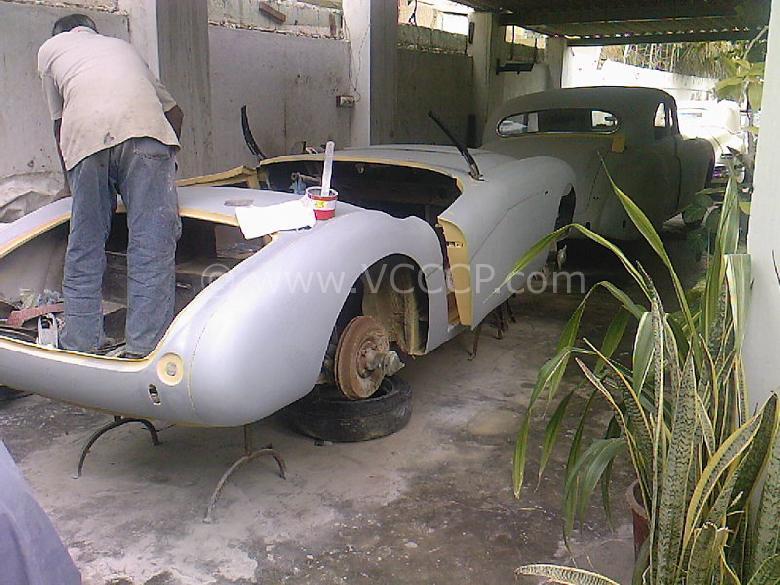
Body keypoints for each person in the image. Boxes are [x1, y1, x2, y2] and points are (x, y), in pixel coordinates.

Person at [37, 14, 184, 358]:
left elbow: (59, 124)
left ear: (61, 34)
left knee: (85, 244)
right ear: (93, 32)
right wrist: (165, 166)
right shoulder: (123, 48)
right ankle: (144, 348)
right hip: (147, 133)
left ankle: (81, 343)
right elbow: (176, 113)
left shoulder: (51, 49)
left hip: (85, 140)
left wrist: (70, 184)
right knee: (151, 244)